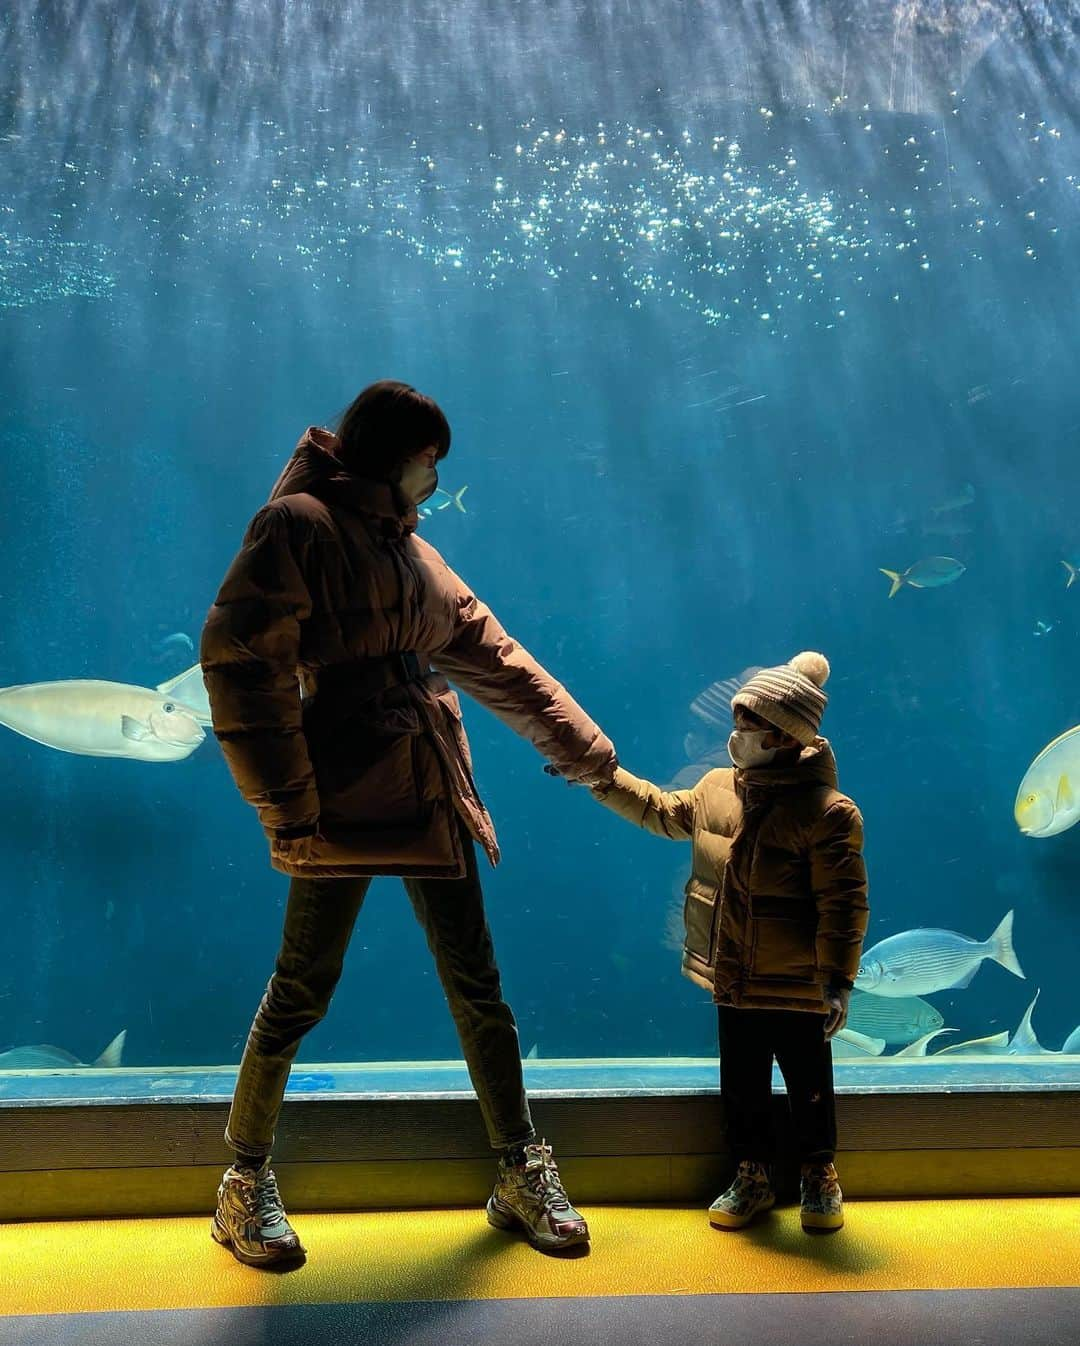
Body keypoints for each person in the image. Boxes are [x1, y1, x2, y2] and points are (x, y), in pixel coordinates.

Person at [200, 381, 618, 1266]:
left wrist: (591, 755)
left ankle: (520, 1167)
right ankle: (242, 1182)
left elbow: (493, 653)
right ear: (398, 457)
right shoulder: (296, 529)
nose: (437, 477)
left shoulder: (412, 553)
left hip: (430, 785)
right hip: (336, 797)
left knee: (479, 987)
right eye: (431, 460)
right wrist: (287, 804)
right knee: (300, 990)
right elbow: (242, 668)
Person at [587, 652, 868, 1232]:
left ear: (785, 738)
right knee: (741, 1086)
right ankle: (752, 1176)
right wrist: (603, 779)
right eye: (735, 724)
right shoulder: (715, 788)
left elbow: (843, 908)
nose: (734, 737)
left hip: (797, 984)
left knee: (810, 1082)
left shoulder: (829, 814)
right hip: (732, 977)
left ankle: (820, 1175)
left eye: (748, 728)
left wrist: (838, 981)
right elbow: (661, 810)